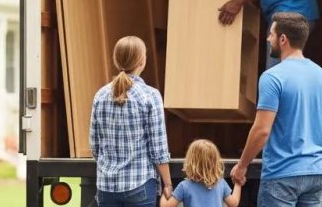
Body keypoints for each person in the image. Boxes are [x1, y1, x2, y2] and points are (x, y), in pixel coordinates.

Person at [230, 12, 322, 206]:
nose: (268, 39)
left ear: (283, 39)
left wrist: (242, 166)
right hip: (316, 173)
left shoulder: (273, 77)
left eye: (271, 34)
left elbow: (262, 131)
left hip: (282, 174)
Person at [90, 36, 172, 207]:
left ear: (116, 60)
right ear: (142, 61)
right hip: (139, 184)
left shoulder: (100, 95)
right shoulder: (150, 95)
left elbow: (95, 145)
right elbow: (158, 148)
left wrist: (108, 167)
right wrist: (168, 183)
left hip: (106, 187)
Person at [160, 139, 242, 207]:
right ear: (215, 163)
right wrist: (238, 182)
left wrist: (165, 192)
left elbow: (166, 206)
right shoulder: (221, 183)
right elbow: (234, 203)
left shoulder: (184, 186)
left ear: (190, 162)